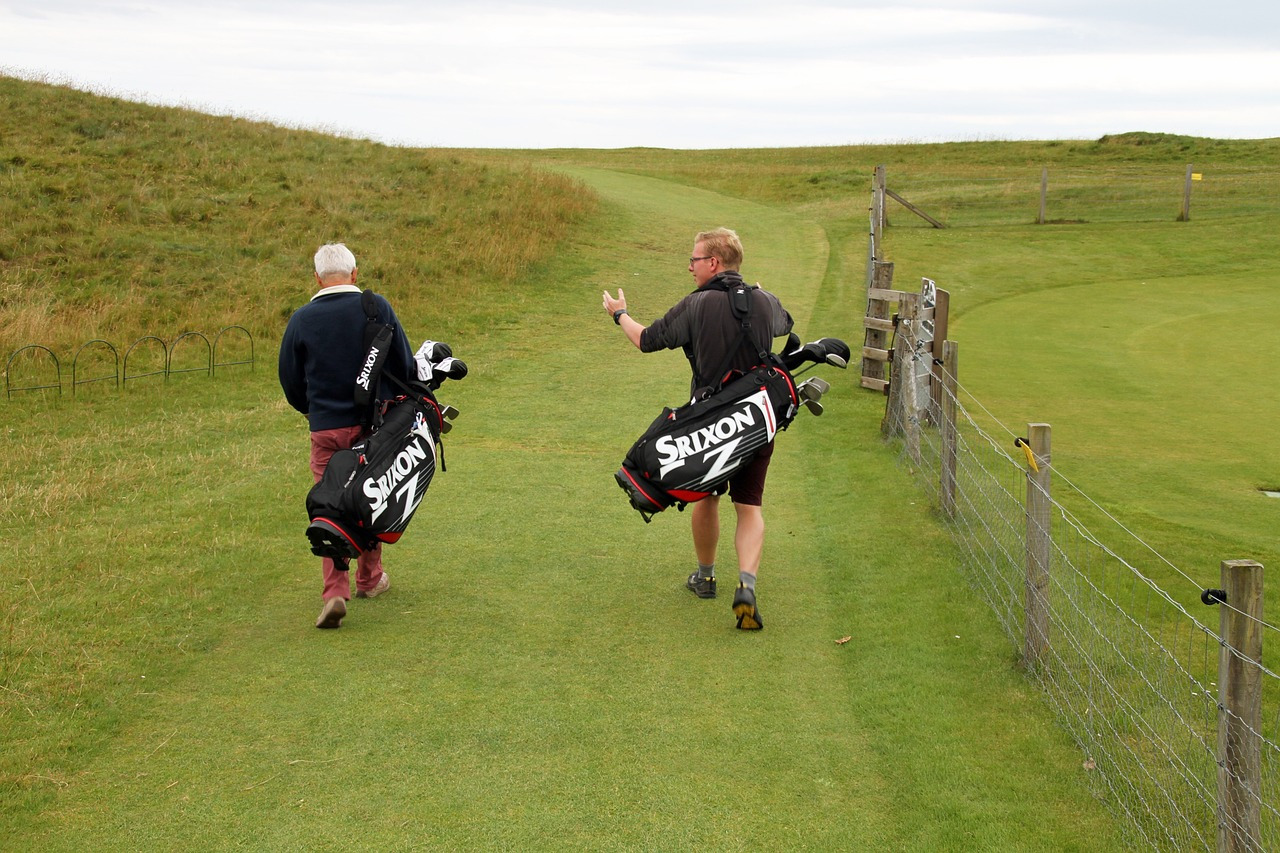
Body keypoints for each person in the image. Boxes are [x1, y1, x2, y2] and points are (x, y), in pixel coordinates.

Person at [602, 227, 793, 630]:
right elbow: (784, 324)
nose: (690, 267)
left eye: (694, 259)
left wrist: (620, 314)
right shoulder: (764, 301)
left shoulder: (697, 304)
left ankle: (705, 578)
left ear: (714, 263)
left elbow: (646, 340)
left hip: (709, 425)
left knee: (706, 497)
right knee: (750, 505)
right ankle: (747, 586)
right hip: (758, 420)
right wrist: (761, 295)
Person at [279, 242, 415, 629]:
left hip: (325, 427)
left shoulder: (302, 319)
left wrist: (312, 409)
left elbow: (289, 379)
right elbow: (403, 364)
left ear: (317, 278)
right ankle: (369, 579)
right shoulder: (376, 307)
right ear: (354, 274)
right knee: (370, 495)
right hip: (373, 425)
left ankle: (334, 592)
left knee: (330, 504)